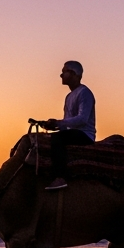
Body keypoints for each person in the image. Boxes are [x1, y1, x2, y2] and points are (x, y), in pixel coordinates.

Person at [40, 61, 95, 190]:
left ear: (74, 73)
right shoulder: (69, 96)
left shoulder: (84, 93)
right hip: (72, 133)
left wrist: (59, 123)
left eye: (64, 72)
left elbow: (82, 119)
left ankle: (60, 177)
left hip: (84, 134)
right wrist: (53, 126)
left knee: (57, 139)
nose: (61, 75)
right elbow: (67, 123)